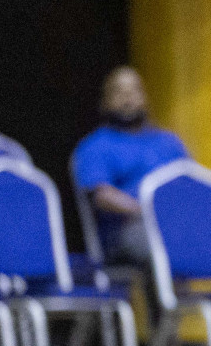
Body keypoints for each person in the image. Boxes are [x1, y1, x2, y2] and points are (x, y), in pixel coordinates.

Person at [71, 66, 189, 266]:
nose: (127, 97)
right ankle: (161, 299)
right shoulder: (96, 145)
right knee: (155, 242)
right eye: (119, 91)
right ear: (106, 100)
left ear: (145, 97)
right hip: (126, 230)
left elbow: (191, 182)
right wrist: (147, 212)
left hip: (176, 222)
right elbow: (102, 196)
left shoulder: (169, 142)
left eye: (134, 90)